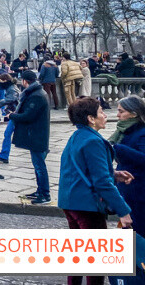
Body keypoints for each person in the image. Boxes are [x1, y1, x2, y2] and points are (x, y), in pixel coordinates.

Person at [58, 96, 133, 285]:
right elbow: (102, 183)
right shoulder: (93, 141)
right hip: (87, 206)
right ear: (91, 118)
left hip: (71, 202)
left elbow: (81, 169)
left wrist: (114, 174)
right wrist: (123, 212)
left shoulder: (77, 136)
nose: (105, 116)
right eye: (101, 112)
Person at [6, 70, 51, 203]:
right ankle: (40, 191)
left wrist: (11, 116)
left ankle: (45, 194)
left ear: (26, 81)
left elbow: (28, 116)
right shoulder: (37, 92)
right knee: (38, 165)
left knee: (40, 167)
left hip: (37, 136)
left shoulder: (36, 96)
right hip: (37, 135)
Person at [109, 95, 145, 235]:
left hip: (138, 191)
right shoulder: (122, 131)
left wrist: (118, 148)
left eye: (121, 111)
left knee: (137, 231)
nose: (117, 115)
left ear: (134, 113)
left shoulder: (142, 132)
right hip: (127, 189)